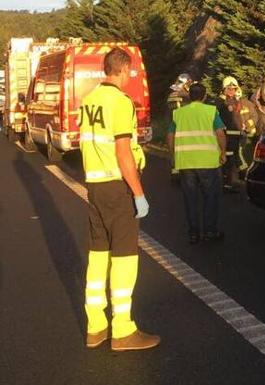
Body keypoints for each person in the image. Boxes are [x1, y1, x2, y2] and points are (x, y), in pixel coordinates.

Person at [80, 47, 160, 351]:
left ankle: (95, 326)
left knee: (98, 255)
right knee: (124, 256)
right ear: (124, 70)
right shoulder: (120, 102)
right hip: (117, 187)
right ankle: (124, 330)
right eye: (131, 72)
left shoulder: (90, 101)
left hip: (95, 186)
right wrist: (139, 193)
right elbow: (123, 152)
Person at [167, 82, 227, 244]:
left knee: (190, 199)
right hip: (208, 162)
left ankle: (194, 233)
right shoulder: (210, 111)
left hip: (186, 163)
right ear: (205, 96)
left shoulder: (179, 113)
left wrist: (173, 155)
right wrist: (222, 152)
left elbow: (170, 136)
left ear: (189, 96)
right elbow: (220, 133)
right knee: (210, 198)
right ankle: (210, 231)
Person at [216, 76, 244, 193]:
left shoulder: (237, 101)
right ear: (224, 89)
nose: (232, 91)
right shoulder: (220, 102)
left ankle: (230, 182)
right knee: (227, 159)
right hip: (226, 135)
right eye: (229, 89)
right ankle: (228, 182)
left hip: (236, 136)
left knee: (233, 159)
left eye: (233, 89)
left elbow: (238, 118)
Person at [166, 73, 193, 183]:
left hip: (173, 125)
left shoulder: (172, 94)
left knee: (175, 150)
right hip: (183, 125)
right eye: (188, 83)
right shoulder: (183, 95)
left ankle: (176, 173)